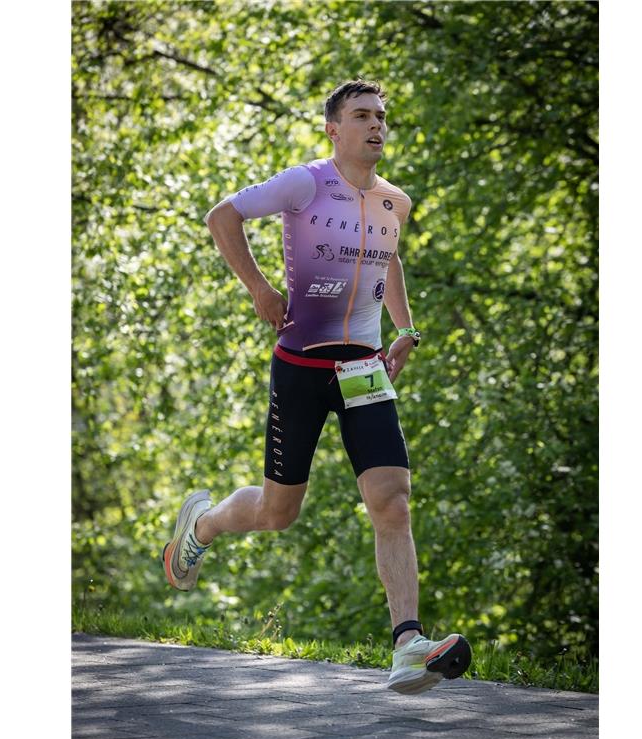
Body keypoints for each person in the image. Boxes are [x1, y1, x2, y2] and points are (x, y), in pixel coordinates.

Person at [163, 79, 471, 695]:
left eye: (380, 116)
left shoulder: (395, 202)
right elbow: (222, 216)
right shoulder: (303, 183)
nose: (376, 125)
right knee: (279, 512)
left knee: (393, 501)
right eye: (362, 116)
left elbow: (388, 260)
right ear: (334, 129)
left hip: (365, 370)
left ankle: (407, 646)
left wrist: (406, 329)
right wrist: (259, 288)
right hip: (301, 368)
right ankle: (202, 528)